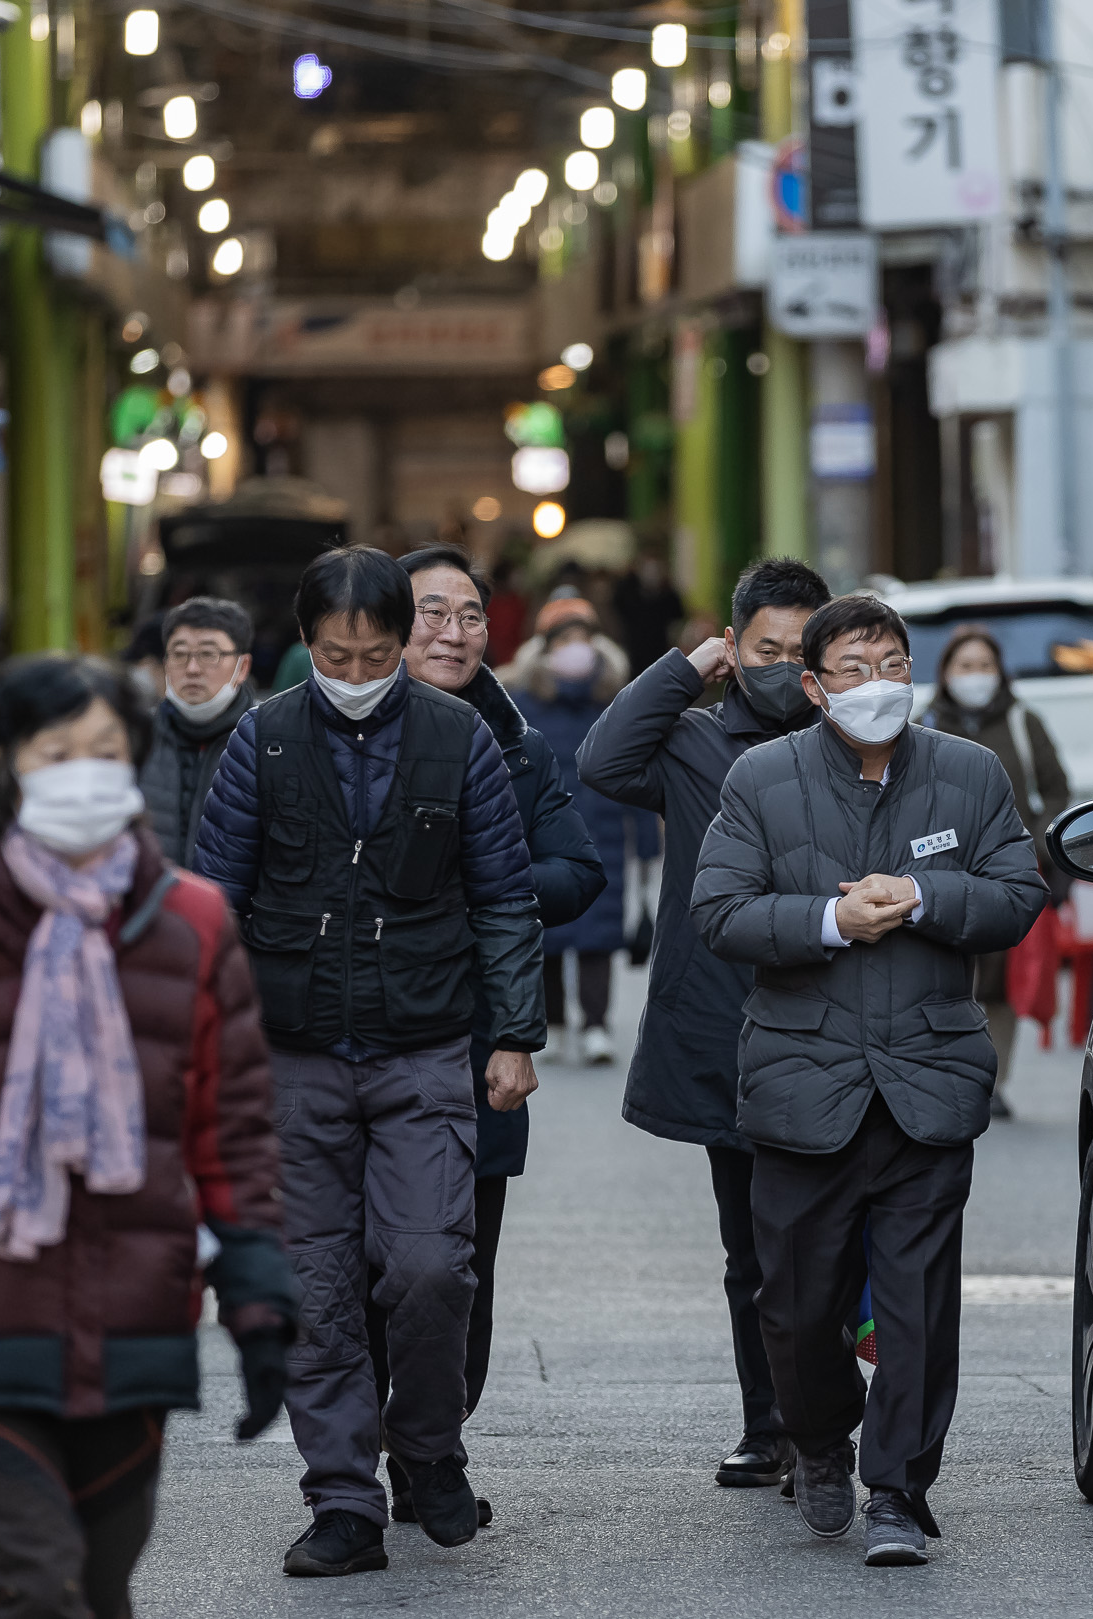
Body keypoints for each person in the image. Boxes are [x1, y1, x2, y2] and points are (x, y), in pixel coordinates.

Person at [0, 655, 295, 1619]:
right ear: (9, 765)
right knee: (40, 1588)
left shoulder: (195, 925)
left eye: (103, 751)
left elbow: (231, 1131)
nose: (80, 770)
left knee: (103, 1587)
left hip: (137, 1317)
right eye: (55, 751)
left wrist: (257, 1300)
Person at [190, 545, 546, 1578]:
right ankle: (342, 1498)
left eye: (375, 652)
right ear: (304, 645)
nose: (355, 670)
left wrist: (515, 1032)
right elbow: (208, 901)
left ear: (402, 643)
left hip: (425, 1044)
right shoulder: (262, 740)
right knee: (315, 1287)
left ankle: (427, 1448)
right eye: (336, 653)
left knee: (432, 1265)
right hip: (290, 1052)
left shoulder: (458, 735)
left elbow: (504, 896)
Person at [690, 593, 1047, 1567]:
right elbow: (718, 911)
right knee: (797, 1308)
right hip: (803, 1084)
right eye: (852, 666)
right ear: (810, 685)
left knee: (918, 1304)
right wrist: (827, 921)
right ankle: (816, 1437)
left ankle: (897, 1486)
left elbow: (1020, 894)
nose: (876, 682)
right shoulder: (762, 778)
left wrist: (925, 895)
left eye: (891, 663)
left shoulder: (968, 773)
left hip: (926, 1079)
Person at [576, 556, 831, 1487]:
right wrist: (687, 669)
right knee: (751, 1248)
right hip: (722, 1026)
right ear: (736, 646)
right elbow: (602, 761)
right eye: (763, 648)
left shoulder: (854, 742)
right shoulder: (691, 742)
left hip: (832, 1028)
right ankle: (769, 1425)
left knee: (828, 1242)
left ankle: (825, 1426)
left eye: (802, 652)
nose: (782, 666)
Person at [380, 542, 602, 1525]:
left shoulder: (517, 744)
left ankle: (430, 1443)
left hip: (479, 1039)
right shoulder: (331, 732)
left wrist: (481, 882)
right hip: (352, 1040)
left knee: (457, 1261)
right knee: (357, 1263)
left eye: (469, 614)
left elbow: (577, 869)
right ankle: (368, 1456)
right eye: (432, 612)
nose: (453, 631)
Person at [917, 626, 1072, 1118]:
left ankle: (991, 1081)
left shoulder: (1025, 722)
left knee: (1001, 986)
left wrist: (1035, 843)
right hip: (940, 877)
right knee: (941, 978)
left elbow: (1055, 790)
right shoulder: (923, 724)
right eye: (965, 666)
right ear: (945, 673)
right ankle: (941, 1076)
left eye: (984, 665)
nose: (975, 676)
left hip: (1008, 875)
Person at [508, 594, 653, 1065]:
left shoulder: (617, 702)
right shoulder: (519, 703)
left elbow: (639, 771)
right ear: (545, 646)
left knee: (599, 932)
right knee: (543, 928)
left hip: (603, 832)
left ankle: (595, 1024)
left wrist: (648, 843)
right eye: (565, 639)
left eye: (583, 638)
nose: (576, 647)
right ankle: (552, 1022)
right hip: (537, 834)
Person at [141, 596, 257, 865]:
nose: (192, 669)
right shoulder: (138, 736)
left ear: (243, 667)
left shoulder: (268, 740)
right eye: (179, 654)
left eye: (208, 654)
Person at [608, 550, 686, 678]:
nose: (651, 574)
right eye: (647, 569)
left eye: (655, 569)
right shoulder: (627, 595)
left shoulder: (670, 597)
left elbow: (677, 624)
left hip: (661, 655)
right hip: (633, 656)